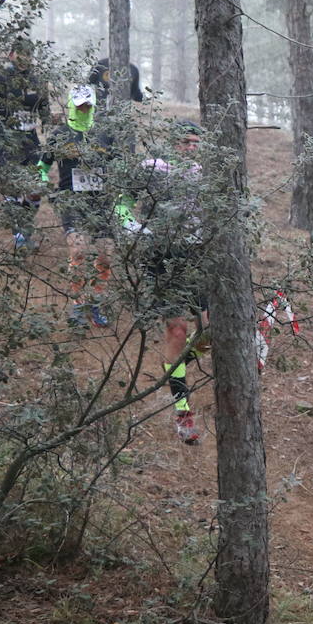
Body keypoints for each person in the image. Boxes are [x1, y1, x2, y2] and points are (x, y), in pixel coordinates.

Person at [120, 120, 208, 445]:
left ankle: (175, 366)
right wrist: (136, 229)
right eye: (185, 142)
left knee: (208, 333)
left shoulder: (202, 172)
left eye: (195, 143)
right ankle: (183, 411)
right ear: (171, 143)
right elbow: (121, 203)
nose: (190, 148)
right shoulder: (152, 168)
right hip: (161, 257)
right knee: (177, 330)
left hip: (197, 257)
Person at [0, 38, 51, 248]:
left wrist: (51, 128)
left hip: (30, 139)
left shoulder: (37, 80)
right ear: (11, 55)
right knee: (13, 189)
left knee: (36, 188)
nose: (25, 57)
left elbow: (45, 109)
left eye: (29, 54)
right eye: (20, 53)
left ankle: (24, 229)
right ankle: (20, 236)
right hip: (4, 138)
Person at [48, 84, 114, 327]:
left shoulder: (106, 133)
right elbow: (43, 166)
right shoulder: (59, 134)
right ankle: (77, 306)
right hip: (70, 199)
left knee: (106, 255)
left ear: (94, 105)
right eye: (79, 106)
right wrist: (41, 182)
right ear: (71, 106)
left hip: (100, 201)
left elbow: (119, 164)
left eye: (88, 105)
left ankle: (96, 303)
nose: (84, 109)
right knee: (78, 251)